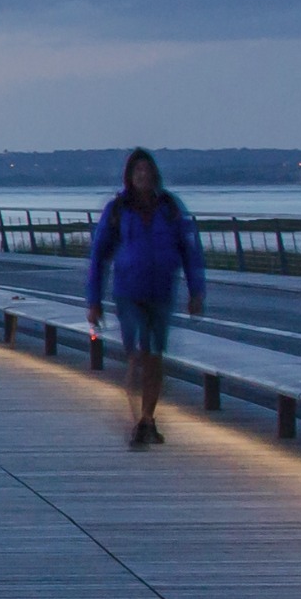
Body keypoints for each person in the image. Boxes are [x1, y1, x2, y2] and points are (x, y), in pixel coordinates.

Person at [83, 148, 206, 448]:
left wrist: (196, 290)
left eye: (146, 170)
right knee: (138, 355)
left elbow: (190, 252)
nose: (142, 176)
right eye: (137, 171)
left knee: (154, 358)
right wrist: (94, 300)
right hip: (128, 293)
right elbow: (98, 256)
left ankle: (146, 419)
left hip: (161, 293)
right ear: (130, 176)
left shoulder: (170, 208)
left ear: (154, 175)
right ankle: (137, 415)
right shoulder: (118, 209)